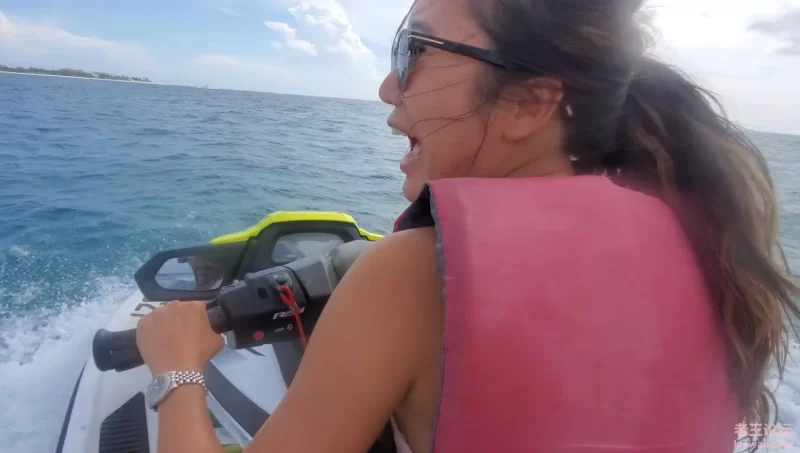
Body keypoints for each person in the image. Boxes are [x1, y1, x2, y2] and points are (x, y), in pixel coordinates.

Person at [135, 0, 800, 452]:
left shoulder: (412, 275)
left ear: (528, 103)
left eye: (414, 51)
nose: (387, 88)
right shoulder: (710, 249)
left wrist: (177, 366)